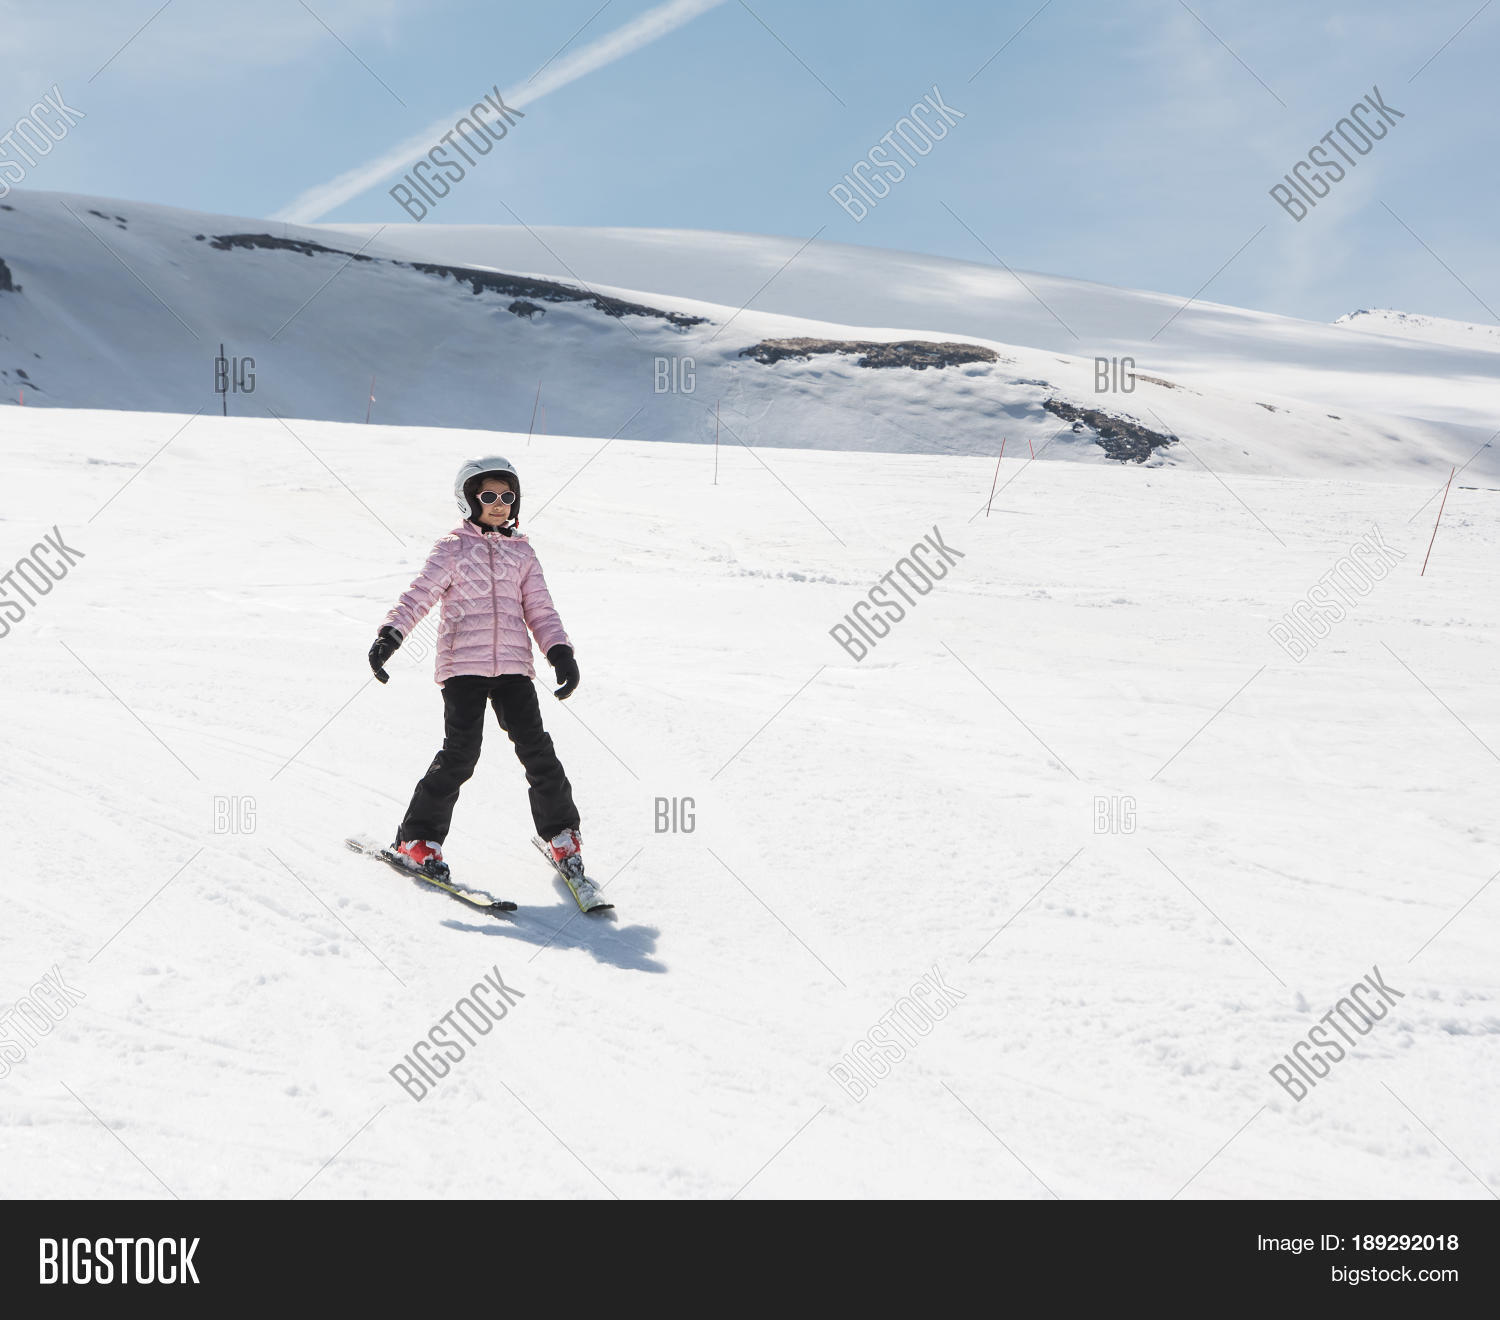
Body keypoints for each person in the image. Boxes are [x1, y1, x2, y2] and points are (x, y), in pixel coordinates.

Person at [367, 456, 586, 885]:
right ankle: (416, 839)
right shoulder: (453, 548)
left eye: (507, 496)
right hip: (463, 667)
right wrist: (390, 636)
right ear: (468, 499)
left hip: (514, 668)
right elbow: (419, 595)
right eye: (489, 496)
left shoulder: (522, 552)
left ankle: (561, 834)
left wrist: (560, 653)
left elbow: (540, 609)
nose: (500, 504)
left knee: (538, 751)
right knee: (461, 753)